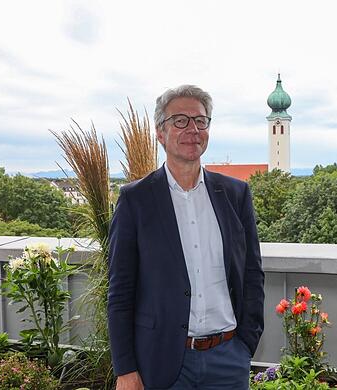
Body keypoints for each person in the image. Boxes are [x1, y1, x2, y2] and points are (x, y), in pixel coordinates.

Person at [107, 84, 265, 389]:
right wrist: (125, 369)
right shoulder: (135, 200)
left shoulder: (235, 194)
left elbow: (251, 274)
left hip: (228, 359)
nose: (192, 129)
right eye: (180, 120)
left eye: (200, 121)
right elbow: (120, 291)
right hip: (162, 361)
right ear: (160, 133)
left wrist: (245, 344)